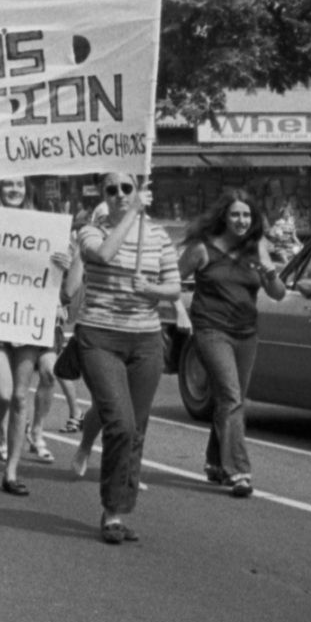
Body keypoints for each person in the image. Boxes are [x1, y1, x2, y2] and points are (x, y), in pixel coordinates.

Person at [75, 172, 180, 544]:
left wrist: (152, 288)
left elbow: (174, 286)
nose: (119, 195)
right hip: (100, 335)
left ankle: (116, 512)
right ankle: (112, 504)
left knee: (136, 428)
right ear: (102, 195)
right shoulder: (91, 228)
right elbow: (102, 255)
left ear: (138, 190)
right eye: (111, 190)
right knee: (119, 422)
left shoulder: (157, 235)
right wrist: (131, 214)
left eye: (127, 188)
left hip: (146, 339)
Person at [180, 189, 287, 498]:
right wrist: (177, 312)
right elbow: (172, 280)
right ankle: (239, 471)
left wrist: (271, 274)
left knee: (232, 399)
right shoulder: (202, 249)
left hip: (246, 333)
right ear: (223, 218)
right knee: (231, 397)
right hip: (211, 329)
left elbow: (278, 294)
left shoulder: (257, 247)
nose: (241, 221)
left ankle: (215, 462)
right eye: (235, 215)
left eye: (246, 215)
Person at [0, 179, 71, 496]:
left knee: (19, 397)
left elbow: (50, 276)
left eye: (18, 185)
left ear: (27, 189)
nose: (13, 190)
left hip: (27, 321)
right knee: (2, 394)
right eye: (7, 185)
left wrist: (62, 268)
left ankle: (11, 471)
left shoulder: (41, 225)